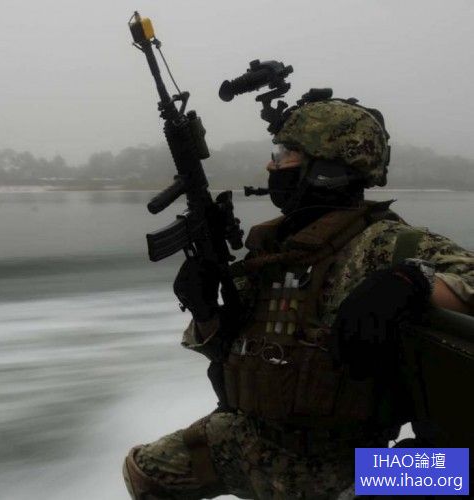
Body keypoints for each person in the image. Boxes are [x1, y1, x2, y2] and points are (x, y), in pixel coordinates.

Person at [122, 95, 474, 499]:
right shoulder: (276, 248)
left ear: (326, 168)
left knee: (452, 472)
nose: (272, 165)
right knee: (144, 472)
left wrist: (413, 280)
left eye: (286, 154)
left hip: (349, 462)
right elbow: (231, 350)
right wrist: (205, 311)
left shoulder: (389, 245)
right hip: (253, 438)